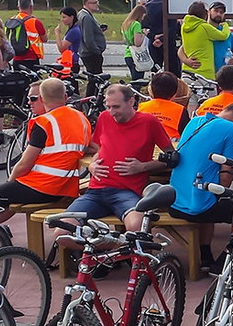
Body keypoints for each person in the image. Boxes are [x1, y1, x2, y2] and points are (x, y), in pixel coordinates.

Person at [69, 84, 172, 232]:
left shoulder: (148, 122)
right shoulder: (104, 117)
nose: (111, 112)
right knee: (62, 230)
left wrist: (143, 167)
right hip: (95, 191)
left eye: (116, 107)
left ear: (131, 102)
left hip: (126, 192)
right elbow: (100, 148)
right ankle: (113, 251)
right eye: (108, 106)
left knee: (138, 226)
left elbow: (171, 157)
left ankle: (128, 251)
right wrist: (91, 165)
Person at [0, 77, 91, 220]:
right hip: (66, 186)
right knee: (8, 201)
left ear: (42, 99)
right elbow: (90, 146)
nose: (29, 103)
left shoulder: (43, 123)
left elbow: (24, 165)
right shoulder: (79, 118)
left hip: (44, 186)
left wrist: (9, 183)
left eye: (34, 98)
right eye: (29, 98)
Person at [169, 102, 233, 269]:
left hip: (174, 202)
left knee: (205, 191)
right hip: (197, 209)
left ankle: (206, 255)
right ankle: (227, 260)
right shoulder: (232, 128)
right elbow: (226, 175)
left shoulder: (195, 121)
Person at [179, 0, 232, 80]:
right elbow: (223, 35)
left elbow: (182, 48)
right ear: (204, 14)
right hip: (204, 73)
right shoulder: (204, 27)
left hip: (187, 72)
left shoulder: (184, 27)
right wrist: (225, 25)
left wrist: (186, 60)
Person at [138, 72, 190, 140]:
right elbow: (187, 133)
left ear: (151, 92)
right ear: (174, 94)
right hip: (171, 144)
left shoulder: (141, 107)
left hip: (145, 141)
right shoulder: (180, 110)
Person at [77, 0, 107, 95]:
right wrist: (97, 51)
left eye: (97, 2)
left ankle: (91, 100)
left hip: (88, 52)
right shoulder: (86, 17)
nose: (97, 4)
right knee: (94, 80)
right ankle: (91, 101)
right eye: (94, 3)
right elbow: (88, 38)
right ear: (86, 4)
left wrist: (99, 29)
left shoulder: (84, 15)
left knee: (94, 79)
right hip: (91, 54)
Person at [9, 0, 48, 67]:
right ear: (31, 7)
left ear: (18, 7)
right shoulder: (35, 22)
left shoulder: (12, 20)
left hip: (16, 58)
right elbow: (45, 39)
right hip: (31, 58)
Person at [121, 4, 148, 80]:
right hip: (136, 56)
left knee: (134, 79)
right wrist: (144, 34)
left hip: (128, 54)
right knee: (138, 81)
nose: (143, 18)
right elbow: (137, 43)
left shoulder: (125, 24)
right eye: (143, 16)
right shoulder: (136, 24)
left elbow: (125, 40)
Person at [54, 6, 81, 74]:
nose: (62, 19)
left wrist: (57, 34)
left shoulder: (73, 31)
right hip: (71, 62)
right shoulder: (73, 29)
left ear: (71, 17)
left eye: (64, 17)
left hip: (71, 63)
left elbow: (61, 48)